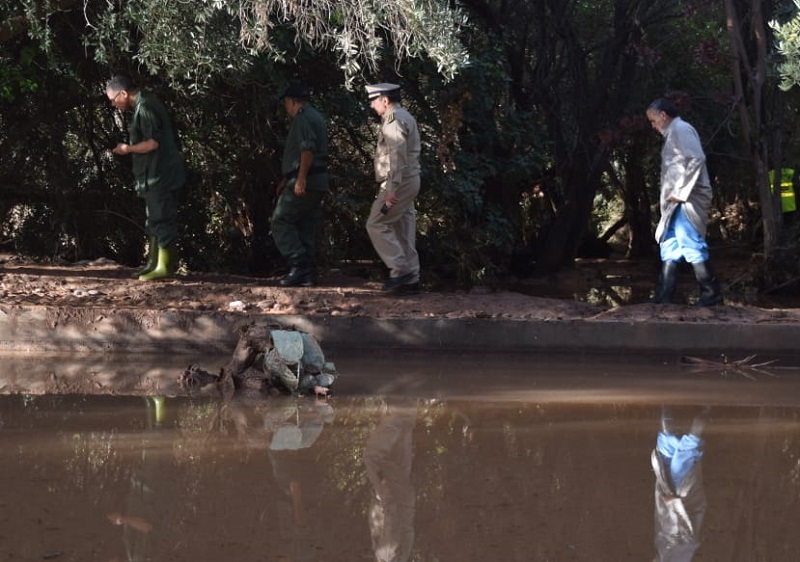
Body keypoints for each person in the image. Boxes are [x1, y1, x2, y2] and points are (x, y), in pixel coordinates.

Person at [106, 75, 186, 281]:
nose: (114, 104)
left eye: (113, 100)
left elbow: (153, 143)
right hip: (151, 175)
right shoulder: (142, 105)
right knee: (153, 219)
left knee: (162, 217)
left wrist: (127, 149)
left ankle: (165, 267)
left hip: (161, 174)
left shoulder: (146, 106)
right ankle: (153, 262)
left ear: (124, 93)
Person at [646, 98, 722, 306]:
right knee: (670, 243)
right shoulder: (674, 133)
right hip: (676, 201)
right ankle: (664, 296)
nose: (653, 126)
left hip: (687, 199)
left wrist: (681, 192)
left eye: (653, 120)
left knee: (690, 242)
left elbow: (697, 159)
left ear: (663, 115)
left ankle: (712, 295)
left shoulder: (681, 129)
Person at [365, 83, 422, 294]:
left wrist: (391, 189)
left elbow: (397, 158)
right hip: (409, 181)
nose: (372, 105)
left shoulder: (393, 120)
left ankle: (401, 270)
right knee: (403, 229)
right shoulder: (404, 116)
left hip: (399, 184)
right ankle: (411, 280)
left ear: (385, 100)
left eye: (374, 100)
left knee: (376, 223)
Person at [271, 82, 329, 287]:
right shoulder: (315, 116)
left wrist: (301, 178)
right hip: (317, 180)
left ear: (293, 101)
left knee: (280, 220)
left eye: (286, 102)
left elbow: (307, 149)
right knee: (305, 224)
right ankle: (308, 273)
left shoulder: (302, 118)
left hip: (307, 179)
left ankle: (299, 265)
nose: (286, 107)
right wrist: (287, 177)